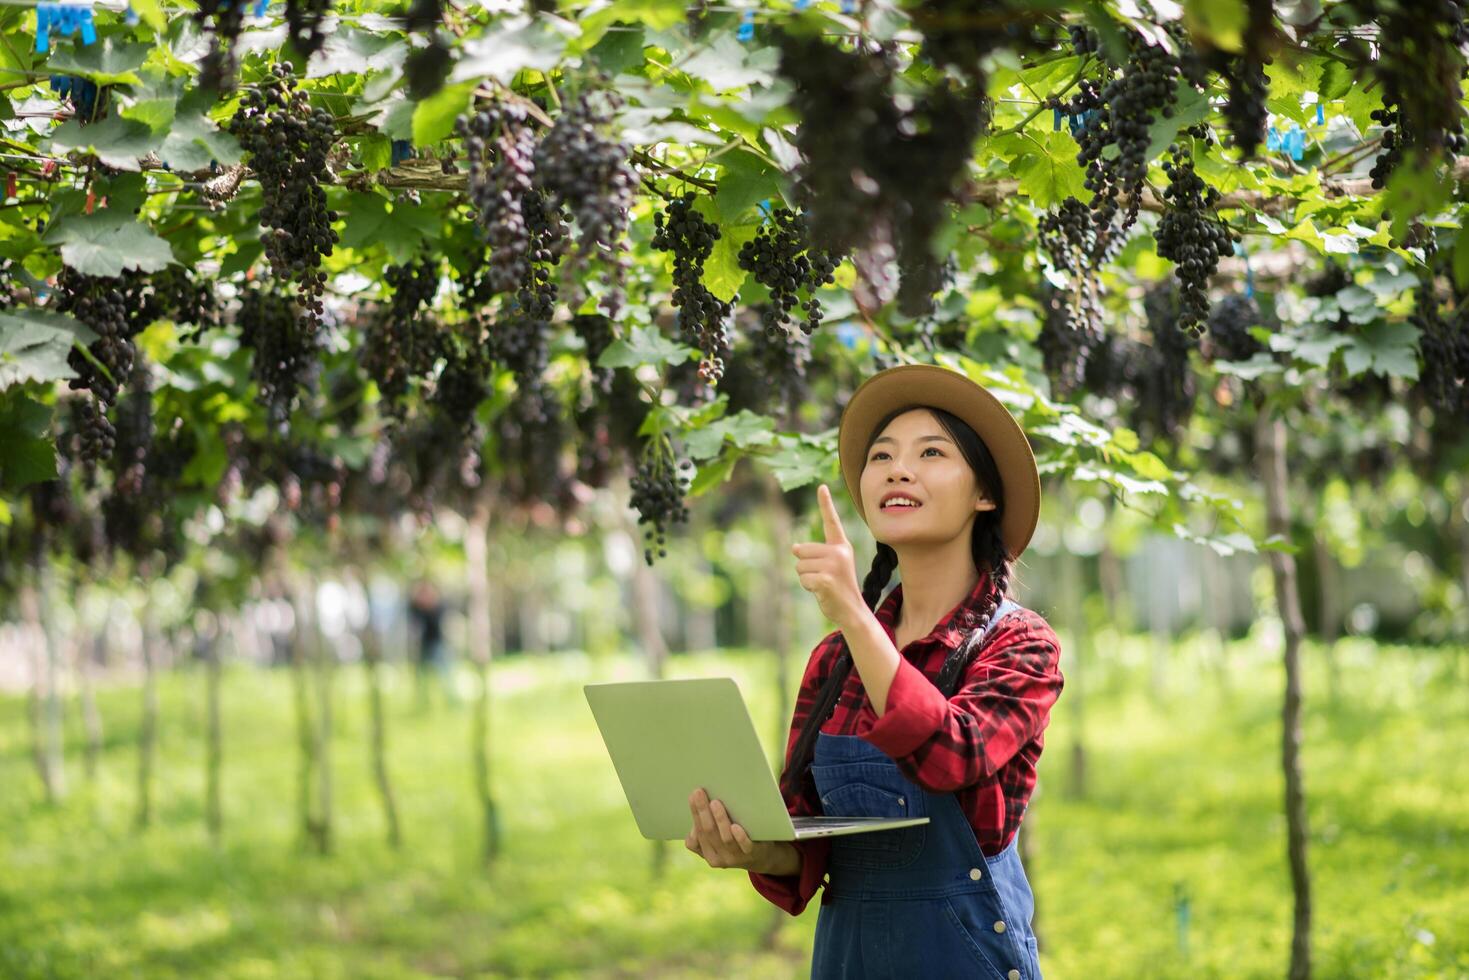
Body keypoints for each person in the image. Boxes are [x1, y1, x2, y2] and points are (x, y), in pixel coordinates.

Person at [684, 363, 1064, 979]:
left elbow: (952, 754)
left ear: (984, 494)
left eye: (931, 452)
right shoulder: (834, 663)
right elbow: (806, 834)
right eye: (881, 455)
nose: (897, 468)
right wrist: (751, 846)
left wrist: (852, 614)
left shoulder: (1021, 645)